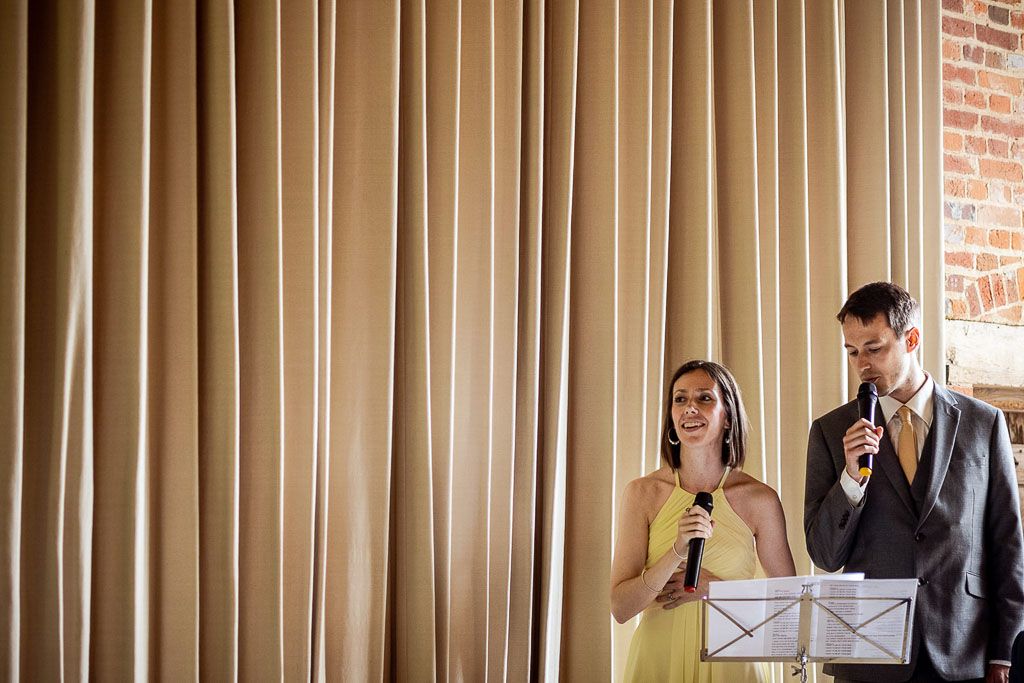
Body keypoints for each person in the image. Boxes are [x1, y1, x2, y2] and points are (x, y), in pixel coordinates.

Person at [804, 281, 1024, 683]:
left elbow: (1007, 545)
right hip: (869, 654)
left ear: (912, 338)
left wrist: (1005, 652)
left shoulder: (984, 424)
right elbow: (824, 555)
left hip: (964, 650)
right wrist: (851, 479)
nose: (862, 365)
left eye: (874, 348)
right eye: (852, 352)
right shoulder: (830, 431)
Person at [611, 359, 796, 682]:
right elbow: (621, 608)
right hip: (659, 661)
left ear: (728, 417)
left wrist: (714, 590)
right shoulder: (642, 493)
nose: (690, 408)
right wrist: (677, 551)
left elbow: (791, 610)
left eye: (704, 398)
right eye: (680, 399)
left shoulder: (760, 499)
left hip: (735, 665)